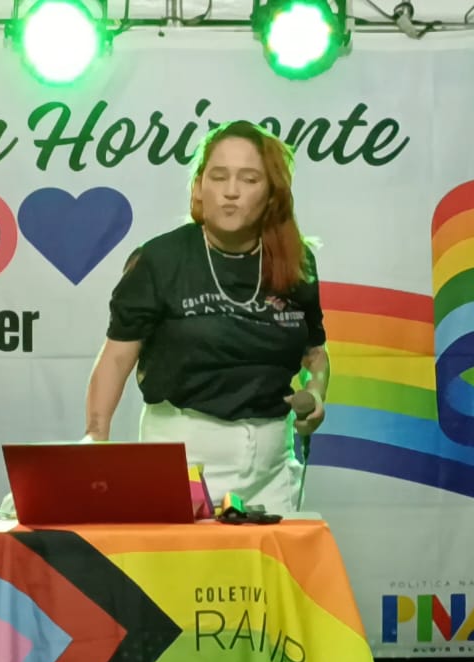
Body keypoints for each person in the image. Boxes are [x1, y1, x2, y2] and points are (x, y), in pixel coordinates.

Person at [82, 120, 330, 514]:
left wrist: (315, 393)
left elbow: (315, 354)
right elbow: (115, 358)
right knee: (182, 557)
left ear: (271, 194)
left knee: (267, 558)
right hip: (182, 461)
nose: (231, 191)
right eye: (218, 177)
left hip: (272, 469)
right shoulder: (159, 260)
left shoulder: (297, 262)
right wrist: (95, 438)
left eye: (249, 179)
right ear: (199, 187)